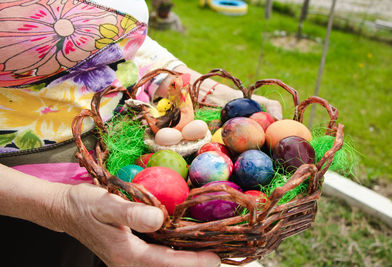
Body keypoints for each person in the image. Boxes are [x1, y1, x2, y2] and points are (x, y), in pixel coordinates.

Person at [0, 0, 282, 266]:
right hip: (25, 203)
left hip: (123, 170)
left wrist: (192, 86)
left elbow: (119, 39)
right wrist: (57, 205)